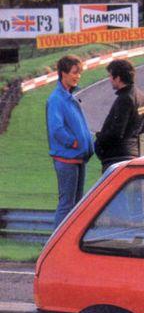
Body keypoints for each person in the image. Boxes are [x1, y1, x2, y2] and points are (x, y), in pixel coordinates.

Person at [46, 55, 93, 228]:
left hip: (78, 158)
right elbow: (56, 129)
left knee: (77, 205)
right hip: (67, 159)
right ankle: (57, 246)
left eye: (79, 73)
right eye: (74, 72)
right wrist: (74, 143)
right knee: (67, 205)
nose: (78, 76)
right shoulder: (56, 99)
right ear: (63, 73)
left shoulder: (70, 96)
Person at [95, 59, 144, 173]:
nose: (109, 80)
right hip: (133, 154)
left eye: (110, 76)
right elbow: (143, 127)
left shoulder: (125, 98)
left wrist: (100, 138)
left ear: (118, 78)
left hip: (117, 157)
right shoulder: (141, 96)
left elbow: (117, 132)